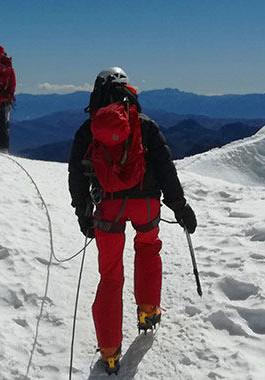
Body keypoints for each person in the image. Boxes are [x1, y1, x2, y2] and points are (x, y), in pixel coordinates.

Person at [67, 67, 198, 375]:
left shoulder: (89, 129)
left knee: (111, 275)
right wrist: (180, 207)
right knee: (148, 249)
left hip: (109, 206)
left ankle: (110, 351)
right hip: (146, 204)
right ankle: (149, 311)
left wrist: (83, 213)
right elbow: (166, 169)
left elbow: (77, 175)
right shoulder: (145, 125)